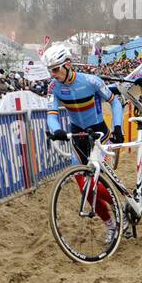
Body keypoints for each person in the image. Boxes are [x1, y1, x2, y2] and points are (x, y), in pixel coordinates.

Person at [41, 45, 124, 242]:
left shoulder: (91, 81)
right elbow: (51, 115)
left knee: (94, 184)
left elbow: (115, 102)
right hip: (77, 136)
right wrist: (57, 130)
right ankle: (111, 224)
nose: (53, 75)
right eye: (50, 70)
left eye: (55, 69)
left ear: (67, 65)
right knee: (85, 189)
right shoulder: (54, 87)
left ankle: (118, 207)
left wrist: (118, 126)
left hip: (98, 134)